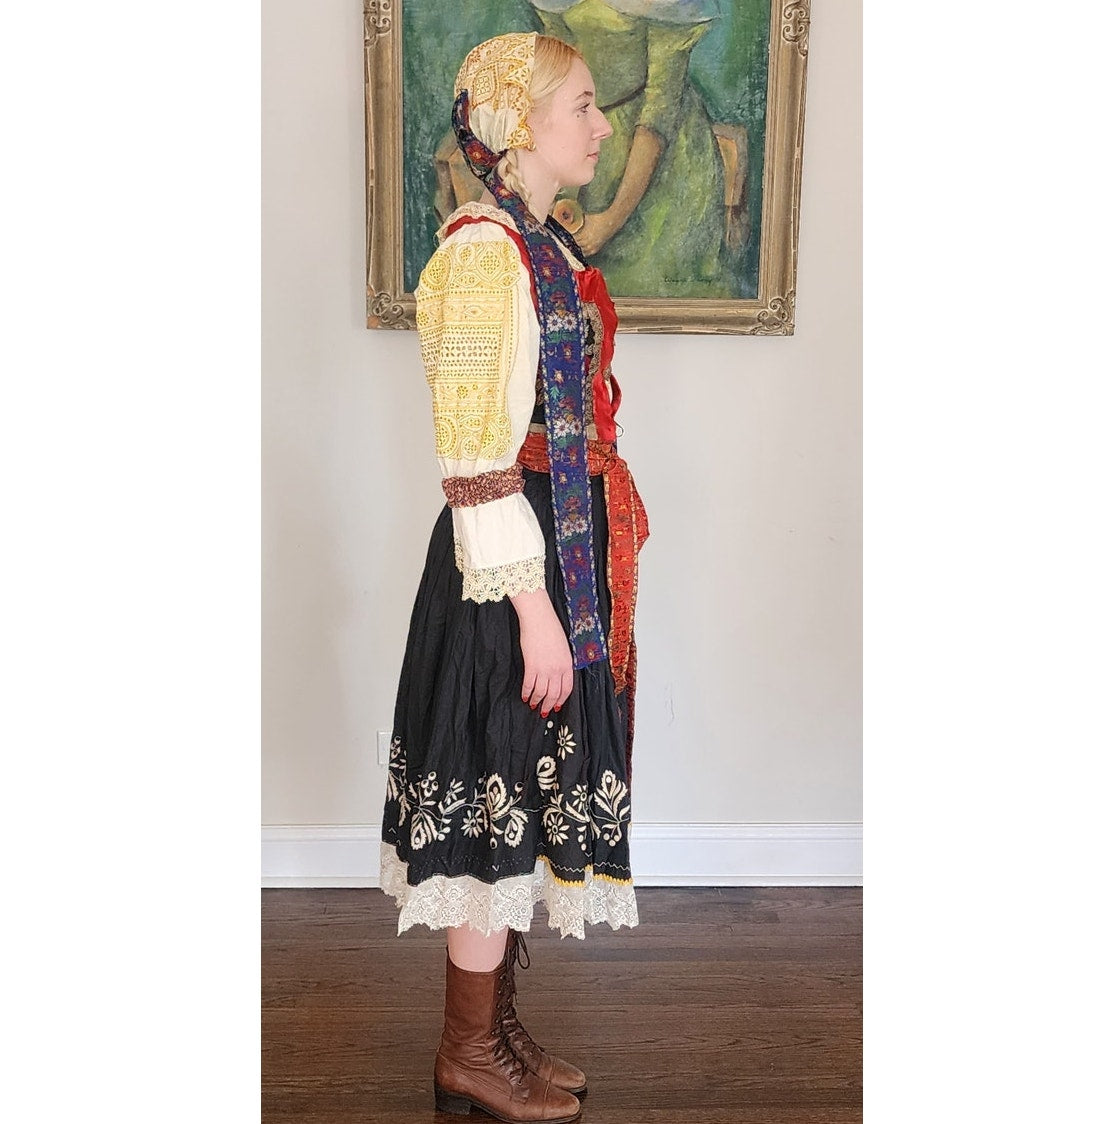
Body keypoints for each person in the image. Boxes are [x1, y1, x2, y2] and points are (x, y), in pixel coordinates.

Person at [377, 32, 649, 1124]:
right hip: (504, 577)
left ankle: (492, 1033)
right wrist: (535, 613)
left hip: (548, 558)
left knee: (523, 798)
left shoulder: (538, 241)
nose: (600, 125)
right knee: (491, 793)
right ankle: (467, 1052)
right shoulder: (483, 257)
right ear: (519, 122)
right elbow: (473, 461)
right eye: (581, 105)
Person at [533, 0, 736, 297]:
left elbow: (659, 111)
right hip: (582, 145)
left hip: (660, 166)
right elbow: (556, 82)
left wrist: (610, 220)